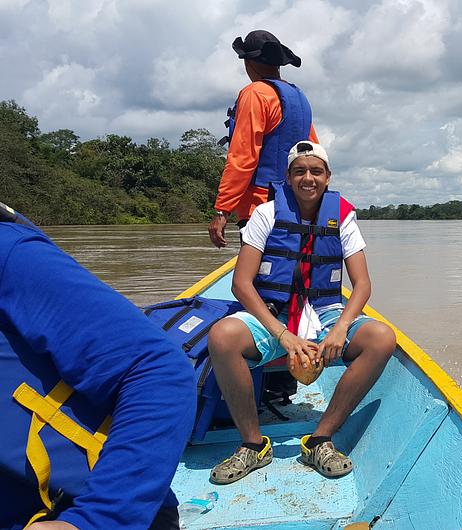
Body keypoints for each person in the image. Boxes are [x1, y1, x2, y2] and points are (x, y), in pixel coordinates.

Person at [206, 142, 396, 484]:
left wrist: (341, 328)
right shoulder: (266, 214)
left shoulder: (344, 217)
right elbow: (241, 285)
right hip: (275, 314)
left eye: (316, 171)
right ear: (289, 178)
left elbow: (363, 285)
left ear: (328, 177)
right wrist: (283, 335)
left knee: (382, 338)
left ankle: (320, 440)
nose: (308, 178)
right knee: (222, 336)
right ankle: (253, 444)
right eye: (299, 171)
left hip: (326, 314)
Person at [0, 203, 196, 530]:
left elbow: (162, 371)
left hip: (79, 510)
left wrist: (94, 521)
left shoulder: (10, 253)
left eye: (314, 171)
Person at [208, 30, 319, 248]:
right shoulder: (299, 97)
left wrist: (223, 210)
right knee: (285, 275)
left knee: (258, 278)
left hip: (260, 208)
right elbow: (314, 154)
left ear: (249, 62)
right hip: (296, 206)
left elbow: (243, 157)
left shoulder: (254, 94)